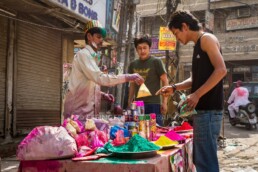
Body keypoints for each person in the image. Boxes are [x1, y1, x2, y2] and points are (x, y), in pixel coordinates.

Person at [156, 10, 227, 172]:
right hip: (203, 113)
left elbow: (221, 70)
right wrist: (174, 87)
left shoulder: (206, 39)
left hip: (209, 112)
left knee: (205, 162)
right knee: (201, 160)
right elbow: (195, 80)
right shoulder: (198, 46)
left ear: (184, 26)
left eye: (175, 34)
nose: (177, 39)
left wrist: (197, 94)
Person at [63, 20, 144, 123]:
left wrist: (101, 95)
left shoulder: (92, 57)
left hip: (86, 115)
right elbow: (100, 78)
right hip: (77, 114)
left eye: (102, 38)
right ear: (89, 37)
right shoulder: (84, 55)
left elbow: (88, 84)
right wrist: (128, 77)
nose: (101, 40)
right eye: (98, 37)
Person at [128, 35, 169, 126]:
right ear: (136, 49)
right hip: (138, 105)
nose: (142, 51)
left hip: (154, 104)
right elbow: (132, 85)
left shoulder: (156, 62)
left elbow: (165, 82)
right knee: (140, 132)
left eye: (145, 48)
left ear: (149, 48)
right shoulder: (132, 65)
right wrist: (129, 103)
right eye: (139, 48)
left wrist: (165, 102)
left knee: (155, 131)